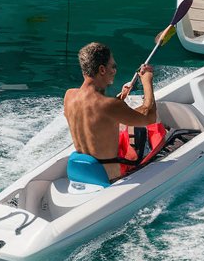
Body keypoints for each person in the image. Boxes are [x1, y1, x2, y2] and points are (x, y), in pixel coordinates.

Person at [63, 42, 157, 184]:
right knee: (155, 135)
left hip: (80, 173)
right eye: (113, 66)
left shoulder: (69, 96)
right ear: (102, 69)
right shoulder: (110, 105)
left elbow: (94, 116)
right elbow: (150, 116)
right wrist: (147, 81)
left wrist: (120, 98)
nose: (114, 70)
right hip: (110, 178)